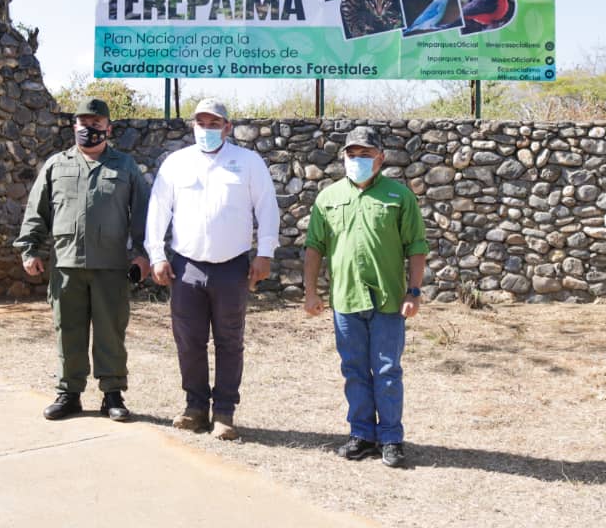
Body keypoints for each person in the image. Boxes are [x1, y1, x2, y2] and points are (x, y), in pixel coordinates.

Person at [145, 98, 279, 440]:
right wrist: (157, 255)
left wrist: (264, 253)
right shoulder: (176, 163)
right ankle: (194, 408)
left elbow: (267, 207)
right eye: (201, 123)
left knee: (229, 341)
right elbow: (158, 210)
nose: (206, 129)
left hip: (232, 266)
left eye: (214, 123)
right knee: (188, 340)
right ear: (193, 126)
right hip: (186, 266)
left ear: (227, 127)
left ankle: (224, 412)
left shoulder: (248, 162)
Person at [14, 97, 150, 422]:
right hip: (66, 265)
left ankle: (112, 394)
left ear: (108, 128)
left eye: (96, 123)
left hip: (110, 266)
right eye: (83, 123)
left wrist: (143, 254)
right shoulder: (56, 165)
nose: (89, 129)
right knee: (68, 331)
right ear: (74, 126)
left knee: (110, 333)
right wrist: (29, 250)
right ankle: (69, 394)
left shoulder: (125, 166)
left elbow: (143, 213)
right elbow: (37, 211)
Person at [303, 126, 429, 468]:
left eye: (365, 154)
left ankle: (390, 438)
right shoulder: (328, 198)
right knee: (354, 370)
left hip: (388, 300)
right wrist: (311, 292)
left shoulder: (399, 197)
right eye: (352, 154)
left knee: (387, 371)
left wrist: (414, 292)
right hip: (346, 300)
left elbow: (416, 247)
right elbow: (314, 247)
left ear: (380, 158)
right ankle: (361, 435)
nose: (357, 160)